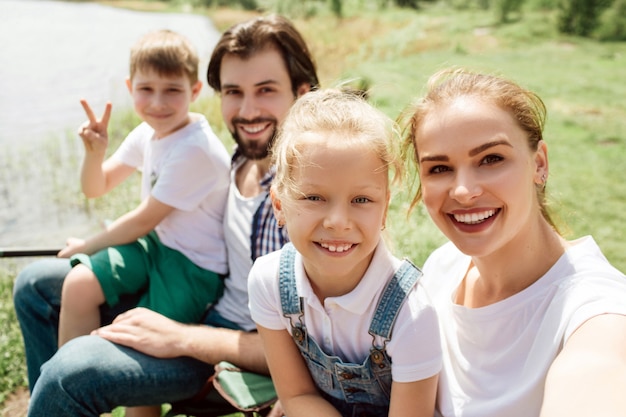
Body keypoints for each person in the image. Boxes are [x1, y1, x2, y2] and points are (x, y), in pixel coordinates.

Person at [12, 14, 319, 416]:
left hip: (229, 345)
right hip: (200, 308)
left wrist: (181, 337)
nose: (247, 110)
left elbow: (305, 348)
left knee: (70, 373)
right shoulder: (236, 159)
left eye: (266, 90)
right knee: (35, 285)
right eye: (233, 91)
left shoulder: (306, 199)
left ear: (302, 93)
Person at [400, 67, 626, 417]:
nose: (463, 191)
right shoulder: (442, 269)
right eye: (439, 168)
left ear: (539, 164)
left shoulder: (599, 315)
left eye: (491, 159)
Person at [249, 88, 441, 417]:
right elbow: (296, 395)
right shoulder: (269, 282)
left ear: (384, 210)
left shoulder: (412, 315)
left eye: (361, 200)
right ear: (279, 204)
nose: (338, 222)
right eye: (314, 197)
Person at [57, 29, 230, 351]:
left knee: (137, 342)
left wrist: (86, 245)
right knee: (78, 284)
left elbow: (142, 220)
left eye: (172, 90)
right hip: (156, 246)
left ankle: (95, 383)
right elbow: (97, 187)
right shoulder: (149, 131)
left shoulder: (195, 148)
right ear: (129, 87)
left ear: (194, 90)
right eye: (146, 89)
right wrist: (94, 155)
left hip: (192, 268)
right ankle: (71, 386)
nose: (157, 103)